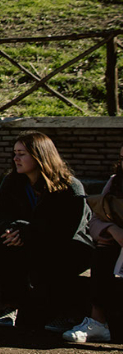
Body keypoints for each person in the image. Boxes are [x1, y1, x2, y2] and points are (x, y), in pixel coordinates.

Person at [0, 131, 93, 330]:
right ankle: (13, 306)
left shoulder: (69, 188)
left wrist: (26, 233)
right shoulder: (12, 183)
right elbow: (2, 215)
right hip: (29, 239)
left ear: (39, 156)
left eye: (22, 153)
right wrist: (10, 230)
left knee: (59, 257)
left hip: (68, 244)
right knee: (3, 249)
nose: (16, 158)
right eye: (15, 153)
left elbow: (67, 230)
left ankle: (66, 313)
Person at [64, 144, 123, 343]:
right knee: (103, 251)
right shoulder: (116, 182)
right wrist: (112, 231)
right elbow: (96, 219)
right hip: (117, 245)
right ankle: (98, 322)